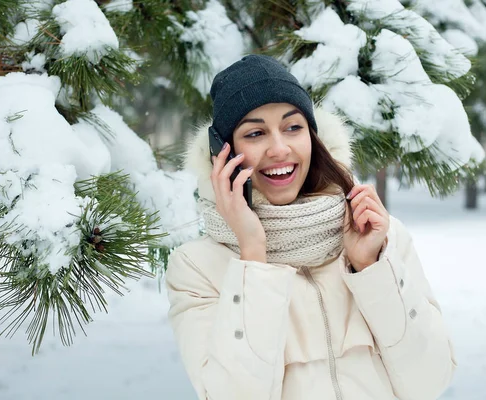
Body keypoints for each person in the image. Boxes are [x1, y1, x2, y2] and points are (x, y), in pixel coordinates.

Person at [165, 54, 456, 400]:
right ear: (223, 155)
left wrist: (370, 268)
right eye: (255, 133)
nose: (279, 148)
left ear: (314, 138)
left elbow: (430, 381)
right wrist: (254, 257)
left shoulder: (379, 236)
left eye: (293, 127)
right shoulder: (196, 268)